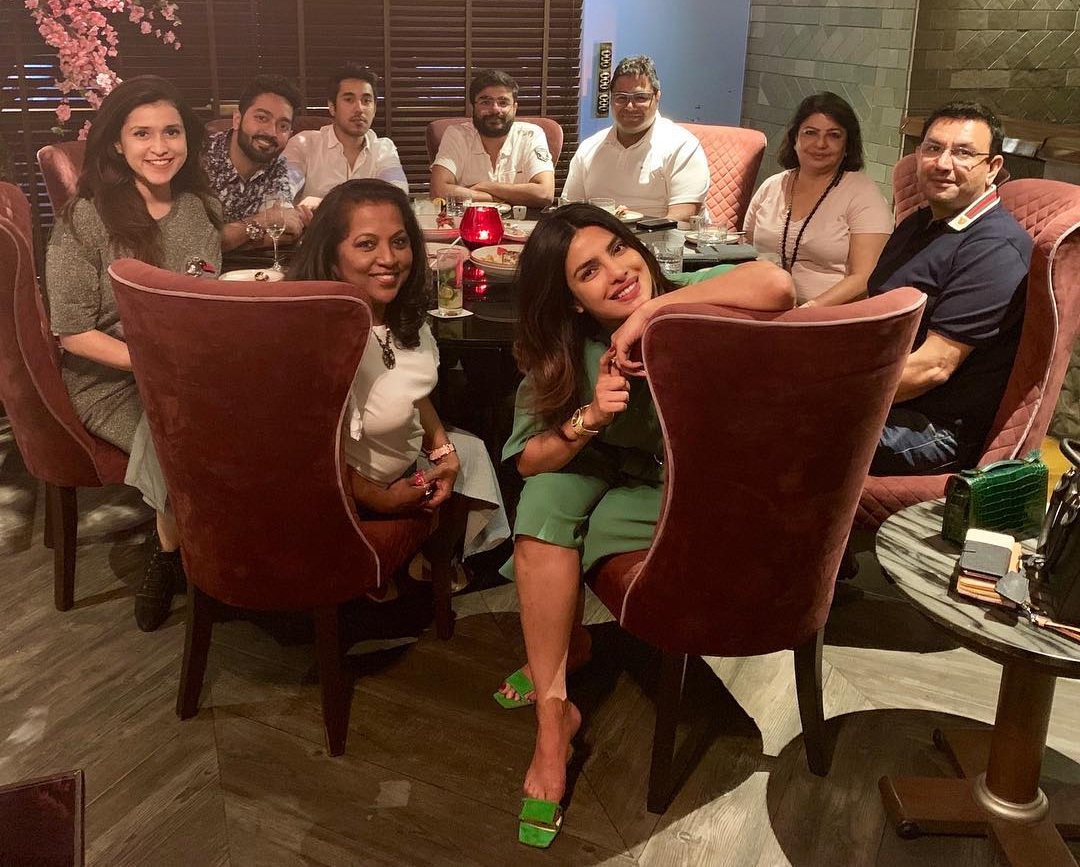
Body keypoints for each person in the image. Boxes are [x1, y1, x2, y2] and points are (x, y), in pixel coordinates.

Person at [496, 204, 794, 846]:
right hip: (603, 463)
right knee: (544, 500)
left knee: (576, 521)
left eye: (618, 249)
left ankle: (566, 647)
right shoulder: (568, 348)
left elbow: (777, 284)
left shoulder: (690, 297)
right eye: (588, 272)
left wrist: (649, 313)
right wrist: (591, 417)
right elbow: (528, 459)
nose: (617, 272)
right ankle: (553, 721)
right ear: (571, 300)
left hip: (682, 482)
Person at [44, 75, 221, 631]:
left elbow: (205, 297)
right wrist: (158, 367)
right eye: (142, 133)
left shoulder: (197, 208)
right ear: (117, 144)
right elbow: (72, 332)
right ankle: (172, 553)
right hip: (111, 378)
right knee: (177, 433)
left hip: (192, 369)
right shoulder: (85, 218)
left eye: (172, 131)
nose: (160, 146)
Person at [287, 179, 508, 558]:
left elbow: (410, 393)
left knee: (474, 454)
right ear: (330, 254)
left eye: (400, 241)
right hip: (337, 502)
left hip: (401, 467)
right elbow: (301, 450)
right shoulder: (312, 335)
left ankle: (436, 563)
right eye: (366, 244)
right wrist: (377, 497)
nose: (389, 258)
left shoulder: (399, 314)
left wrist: (443, 450)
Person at [868, 101, 1033, 475]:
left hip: (933, 428)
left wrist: (830, 391)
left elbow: (933, 368)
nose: (943, 163)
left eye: (963, 153)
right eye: (933, 148)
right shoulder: (918, 225)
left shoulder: (994, 248)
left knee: (777, 423)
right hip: (886, 396)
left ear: (992, 168)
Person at [743, 92, 892, 306]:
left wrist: (808, 311)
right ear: (795, 139)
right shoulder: (771, 187)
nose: (820, 144)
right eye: (810, 133)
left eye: (834, 135)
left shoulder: (864, 194)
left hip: (828, 316)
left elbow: (864, 278)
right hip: (763, 305)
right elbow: (747, 253)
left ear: (847, 145)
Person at [561, 56, 709, 221]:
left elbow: (682, 218)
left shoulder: (683, 146)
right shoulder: (589, 147)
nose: (629, 106)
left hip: (662, 235)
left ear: (657, 97)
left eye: (640, 97)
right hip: (601, 234)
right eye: (621, 97)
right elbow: (570, 211)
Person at [205, 74, 308, 252]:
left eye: (283, 126)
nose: (271, 132)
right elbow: (197, 242)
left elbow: (285, 232)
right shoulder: (202, 159)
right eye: (262, 118)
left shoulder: (277, 166)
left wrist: (234, 238)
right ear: (237, 120)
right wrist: (262, 221)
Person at [429, 69, 555, 208]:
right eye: (485, 102)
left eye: (503, 102)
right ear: (473, 107)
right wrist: (500, 198)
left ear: (514, 108)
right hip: (470, 220)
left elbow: (544, 194)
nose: (495, 110)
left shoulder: (531, 135)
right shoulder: (457, 135)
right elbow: (438, 191)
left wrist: (485, 186)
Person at [285, 64, 408, 202]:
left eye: (366, 101)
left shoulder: (383, 149)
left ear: (374, 109)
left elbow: (397, 197)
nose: (359, 109)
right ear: (332, 107)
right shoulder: (304, 144)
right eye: (349, 100)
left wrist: (323, 205)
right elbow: (280, 192)